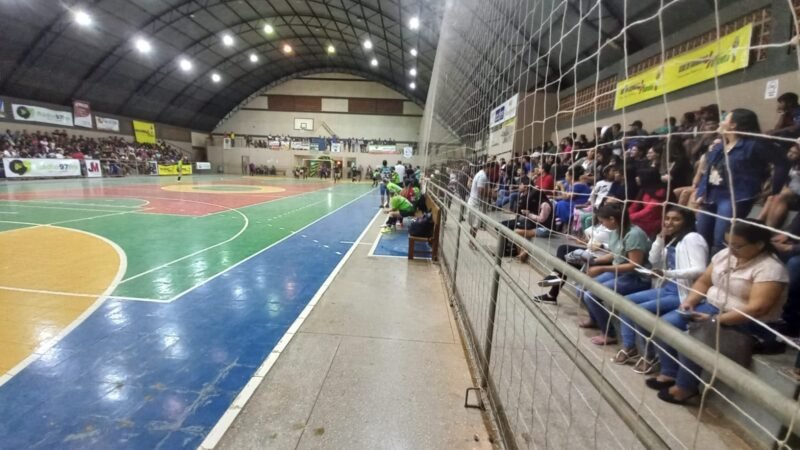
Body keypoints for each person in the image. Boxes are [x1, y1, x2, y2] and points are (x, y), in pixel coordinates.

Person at [647, 221, 788, 404]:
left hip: (747, 321)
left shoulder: (771, 269)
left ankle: (686, 387)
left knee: (693, 339)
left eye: (737, 246)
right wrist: (691, 300)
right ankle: (669, 373)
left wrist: (716, 319)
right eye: (727, 243)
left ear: (759, 244)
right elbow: (704, 281)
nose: (731, 249)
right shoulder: (724, 255)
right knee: (665, 324)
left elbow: (757, 308)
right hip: (712, 307)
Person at [614, 207, 708, 373]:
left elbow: (700, 269)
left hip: (683, 292)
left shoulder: (693, 238)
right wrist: (659, 238)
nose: (669, 222)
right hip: (667, 288)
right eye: (667, 218)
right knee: (626, 303)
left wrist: (667, 273)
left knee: (641, 312)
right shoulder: (672, 240)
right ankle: (630, 348)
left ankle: (650, 356)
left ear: (686, 221)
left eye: (676, 219)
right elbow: (652, 259)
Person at [695, 109, 789, 254]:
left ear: (733, 125)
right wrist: (702, 192)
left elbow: (782, 163)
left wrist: (774, 190)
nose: (721, 122)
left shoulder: (754, 144)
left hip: (735, 197)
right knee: (701, 236)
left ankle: (719, 272)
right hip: (711, 195)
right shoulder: (720, 146)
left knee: (722, 239)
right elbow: (709, 170)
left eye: (725, 119)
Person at [578, 203, 652, 345]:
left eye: (602, 221)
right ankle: (595, 319)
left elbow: (633, 265)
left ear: (612, 219)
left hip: (635, 277)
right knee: (581, 287)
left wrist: (603, 269)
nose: (602, 225)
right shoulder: (616, 231)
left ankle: (609, 333)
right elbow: (615, 254)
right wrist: (595, 261)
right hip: (619, 272)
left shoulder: (634, 235)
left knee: (592, 294)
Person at [628, 168, 668, 238]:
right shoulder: (644, 189)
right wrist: (626, 215)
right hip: (643, 218)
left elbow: (649, 211)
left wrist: (629, 217)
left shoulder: (661, 192)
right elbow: (635, 205)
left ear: (647, 177)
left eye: (639, 176)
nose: (636, 178)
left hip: (654, 221)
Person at [467, 161, 490, 239]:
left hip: (474, 202)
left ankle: (471, 241)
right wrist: (491, 194)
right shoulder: (483, 176)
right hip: (476, 204)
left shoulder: (479, 173)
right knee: (475, 225)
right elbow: (481, 190)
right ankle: (472, 242)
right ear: (489, 168)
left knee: (474, 225)